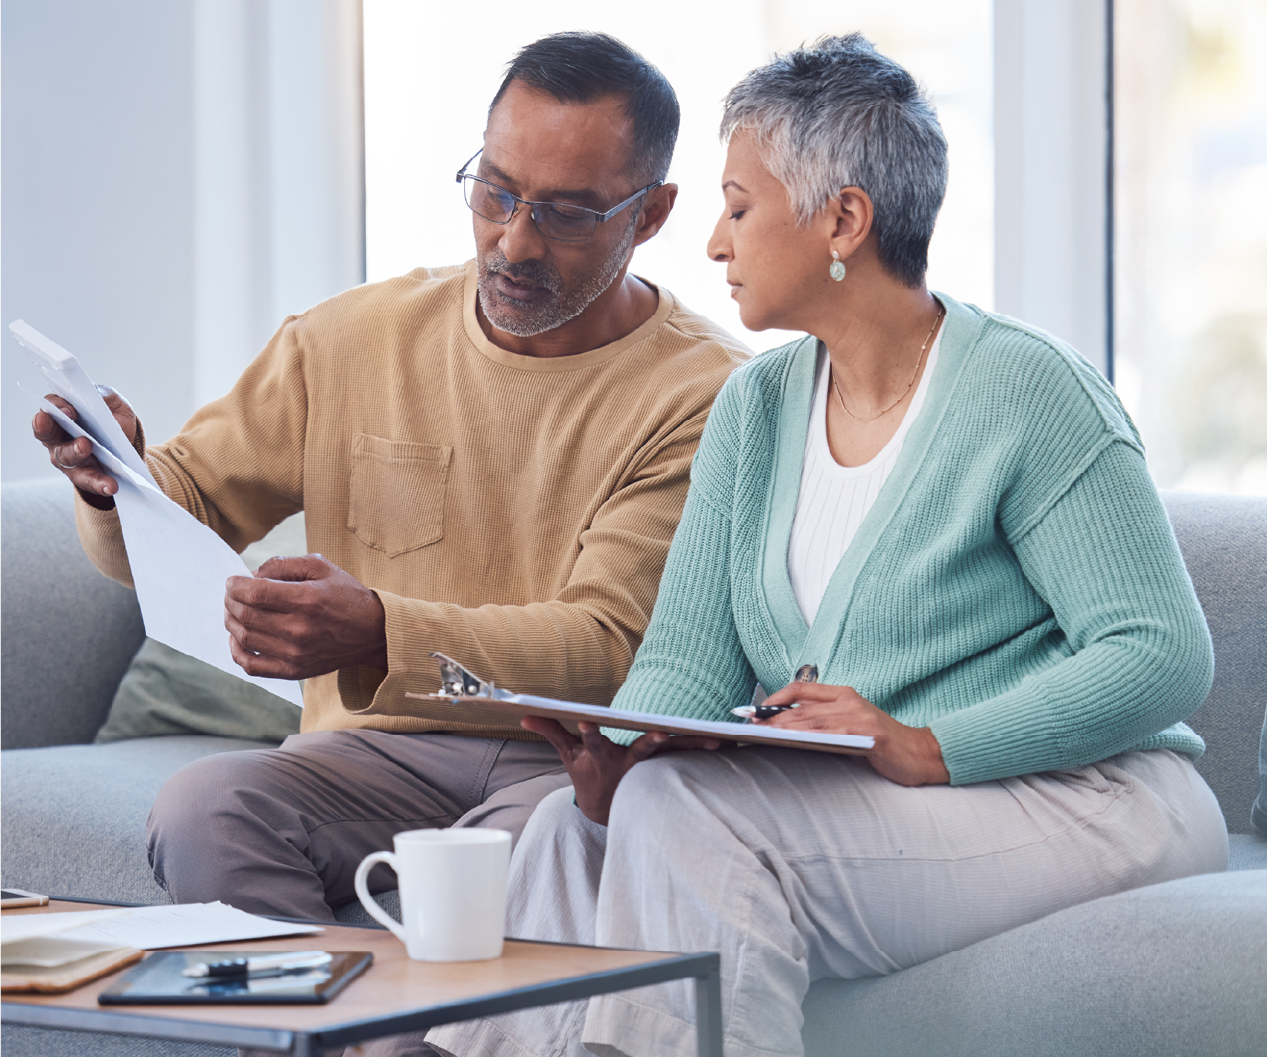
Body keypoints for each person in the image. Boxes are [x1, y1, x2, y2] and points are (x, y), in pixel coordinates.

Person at [422, 34, 1229, 1057]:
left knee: (682, 817)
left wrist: (924, 743)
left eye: (739, 205)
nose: (713, 241)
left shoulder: (1030, 393)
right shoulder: (754, 406)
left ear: (843, 218)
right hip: (874, 804)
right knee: (563, 832)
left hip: (1089, 797)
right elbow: (685, 659)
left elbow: (1157, 654)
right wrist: (617, 754)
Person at [29, 31, 748, 922]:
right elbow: (187, 504)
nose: (513, 240)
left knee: (550, 853)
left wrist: (376, 631)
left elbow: (606, 651)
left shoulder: (707, 393)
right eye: (495, 191)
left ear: (649, 213)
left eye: (566, 214)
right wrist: (113, 480)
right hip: (367, 754)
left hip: (563, 760)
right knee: (201, 807)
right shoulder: (348, 339)